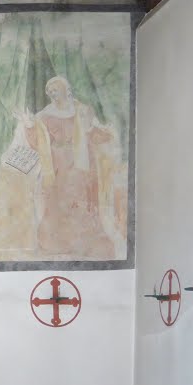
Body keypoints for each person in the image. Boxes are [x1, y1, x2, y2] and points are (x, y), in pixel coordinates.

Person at [14, 75, 118, 258]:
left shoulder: (82, 111)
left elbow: (97, 134)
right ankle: (56, 243)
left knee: (84, 204)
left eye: (56, 90)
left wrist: (94, 131)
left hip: (82, 166)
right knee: (56, 203)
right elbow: (38, 141)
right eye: (50, 91)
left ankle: (86, 243)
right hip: (57, 167)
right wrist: (29, 124)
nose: (53, 94)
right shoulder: (45, 116)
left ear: (65, 90)